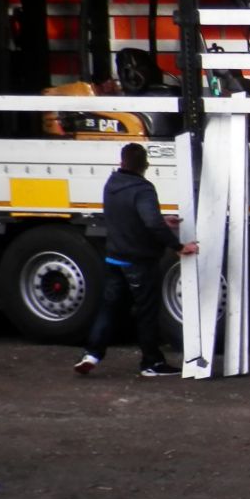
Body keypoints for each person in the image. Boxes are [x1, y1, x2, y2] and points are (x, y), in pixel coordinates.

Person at [74, 142, 198, 377]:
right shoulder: (143, 189)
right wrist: (179, 246)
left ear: (121, 162)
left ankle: (91, 353)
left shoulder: (111, 184)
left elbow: (129, 215)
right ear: (145, 165)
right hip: (138, 261)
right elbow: (150, 222)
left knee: (108, 308)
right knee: (146, 312)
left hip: (114, 258)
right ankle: (151, 362)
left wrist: (161, 220)